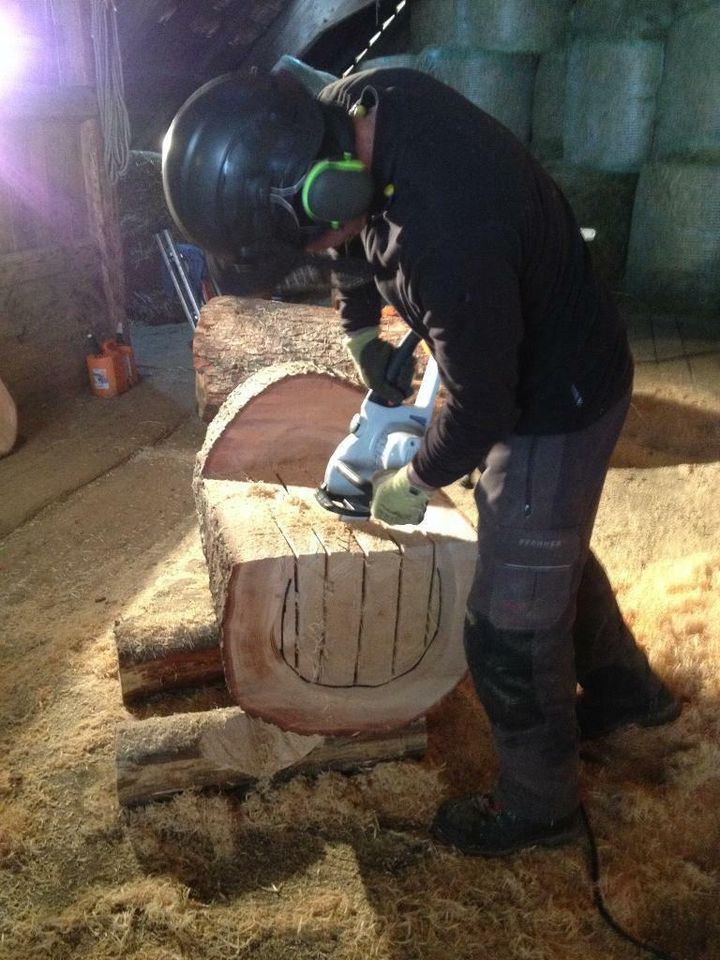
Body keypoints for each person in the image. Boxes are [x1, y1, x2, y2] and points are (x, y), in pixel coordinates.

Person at [162, 65, 681, 857]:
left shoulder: (444, 229)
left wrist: (418, 478)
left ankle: (539, 810)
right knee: (540, 552)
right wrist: (364, 331)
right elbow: (353, 248)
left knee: (507, 622)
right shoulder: (354, 109)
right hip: (513, 345)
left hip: (557, 395)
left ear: (328, 193)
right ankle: (627, 695)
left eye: (309, 239)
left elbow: (481, 408)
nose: (322, 251)